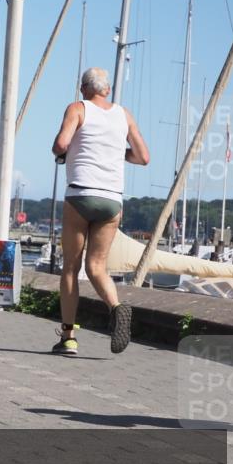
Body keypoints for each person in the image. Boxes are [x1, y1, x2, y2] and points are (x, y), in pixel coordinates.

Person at [50, 67, 149, 357]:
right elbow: (143, 157)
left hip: (81, 193)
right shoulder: (124, 114)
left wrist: (62, 154)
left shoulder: (78, 109)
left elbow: (61, 144)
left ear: (83, 89)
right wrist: (119, 154)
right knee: (96, 267)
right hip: (111, 200)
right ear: (106, 90)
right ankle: (117, 308)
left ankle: (68, 338)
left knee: (71, 267)